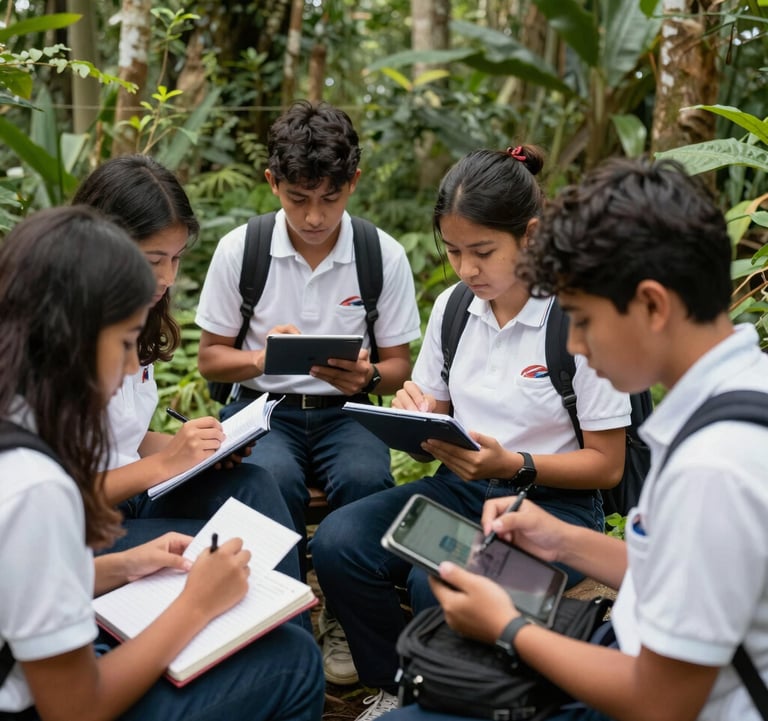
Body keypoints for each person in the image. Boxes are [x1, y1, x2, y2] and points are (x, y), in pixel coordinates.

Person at [382, 156, 768, 721]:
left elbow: (661, 702)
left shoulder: (713, 468)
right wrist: (561, 541)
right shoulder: (737, 390)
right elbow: (684, 575)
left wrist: (508, 627)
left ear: (653, 305)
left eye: (582, 320)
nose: (577, 346)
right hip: (638, 648)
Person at [311, 145, 632, 719]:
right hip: (461, 487)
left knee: (426, 577)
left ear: (530, 235)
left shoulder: (574, 316)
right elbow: (435, 406)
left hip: (553, 508)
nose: (466, 269)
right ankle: (397, 684)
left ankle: (463, 695)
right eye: (455, 252)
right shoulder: (455, 309)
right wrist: (411, 409)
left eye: (482, 252)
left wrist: (514, 465)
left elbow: (606, 464)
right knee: (338, 541)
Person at [0, 206, 324, 721]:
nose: (133, 365)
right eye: (127, 343)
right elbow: (77, 708)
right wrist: (195, 605)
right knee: (293, 662)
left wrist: (120, 566)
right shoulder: (37, 487)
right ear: (70, 335)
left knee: (256, 487)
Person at [195, 101, 421, 683]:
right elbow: (210, 358)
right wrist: (260, 357)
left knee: (366, 480)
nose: (315, 216)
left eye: (330, 198)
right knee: (269, 483)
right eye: (298, 199)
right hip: (263, 410)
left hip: (347, 412)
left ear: (354, 183)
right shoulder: (240, 251)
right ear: (273, 182)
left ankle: (346, 616)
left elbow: (399, 365)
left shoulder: (380, 256)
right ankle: (285, 616)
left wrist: (368, 378)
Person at [71, 155, 302, 585]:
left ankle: (290, 617)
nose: (166, 277)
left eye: (175, 259)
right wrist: (165, 464)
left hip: (134, 499)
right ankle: (278, 641)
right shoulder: (59, 339)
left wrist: (198, 448)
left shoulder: (134, 315)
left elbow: (122, 437)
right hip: (84, 531)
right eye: (153, 259)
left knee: (254, 486)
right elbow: (56, 494)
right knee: (238, 545)